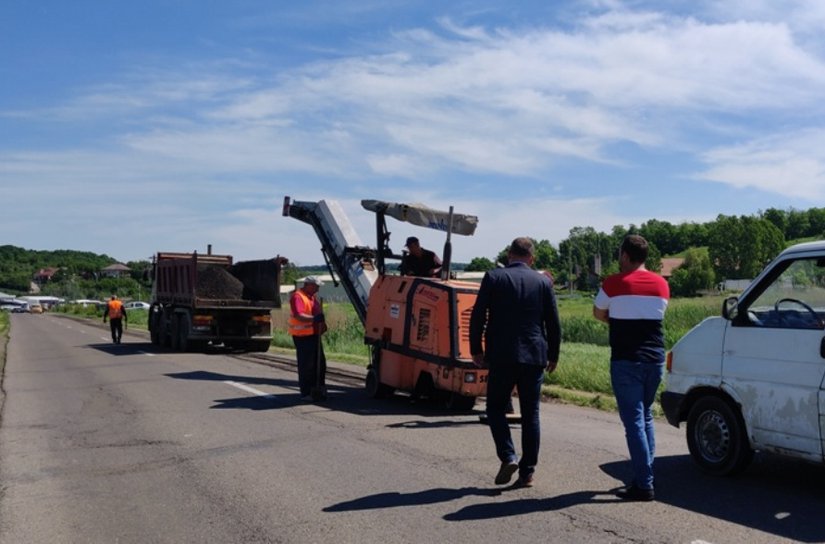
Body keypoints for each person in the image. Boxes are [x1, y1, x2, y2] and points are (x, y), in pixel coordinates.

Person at [470, 237, 561, 488]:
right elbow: (553, 322)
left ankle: (508, 455)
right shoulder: (543, 282)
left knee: (495, 408)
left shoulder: (494, 277)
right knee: (531, 415)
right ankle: (527, 472)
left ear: (509, 255)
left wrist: (476, 349)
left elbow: (478, 315)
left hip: (502, 354)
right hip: (534, 355)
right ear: (531, 259)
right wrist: (553, 354)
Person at [593, 234, 670, 502]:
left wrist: (616, 321)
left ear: (625, 255)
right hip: (655, 361)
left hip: (626, 361)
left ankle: (644, 484)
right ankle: (646, 475)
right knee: (646, 416)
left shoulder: (613, 283)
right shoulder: (662, 284)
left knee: (634, 422)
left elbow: (598, 312)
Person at [289, 276, 328, 402]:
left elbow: (317, 313)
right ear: (308, 285)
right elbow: (299, 315)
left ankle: (319, 390)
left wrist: (322, 324)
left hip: (314, 335)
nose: (318, 288)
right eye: (316, 286)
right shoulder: (298, 296)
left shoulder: (312, 297)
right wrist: (314, 319)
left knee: (320, 364)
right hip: (303, 337)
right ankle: (306, 392)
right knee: (307, 366)